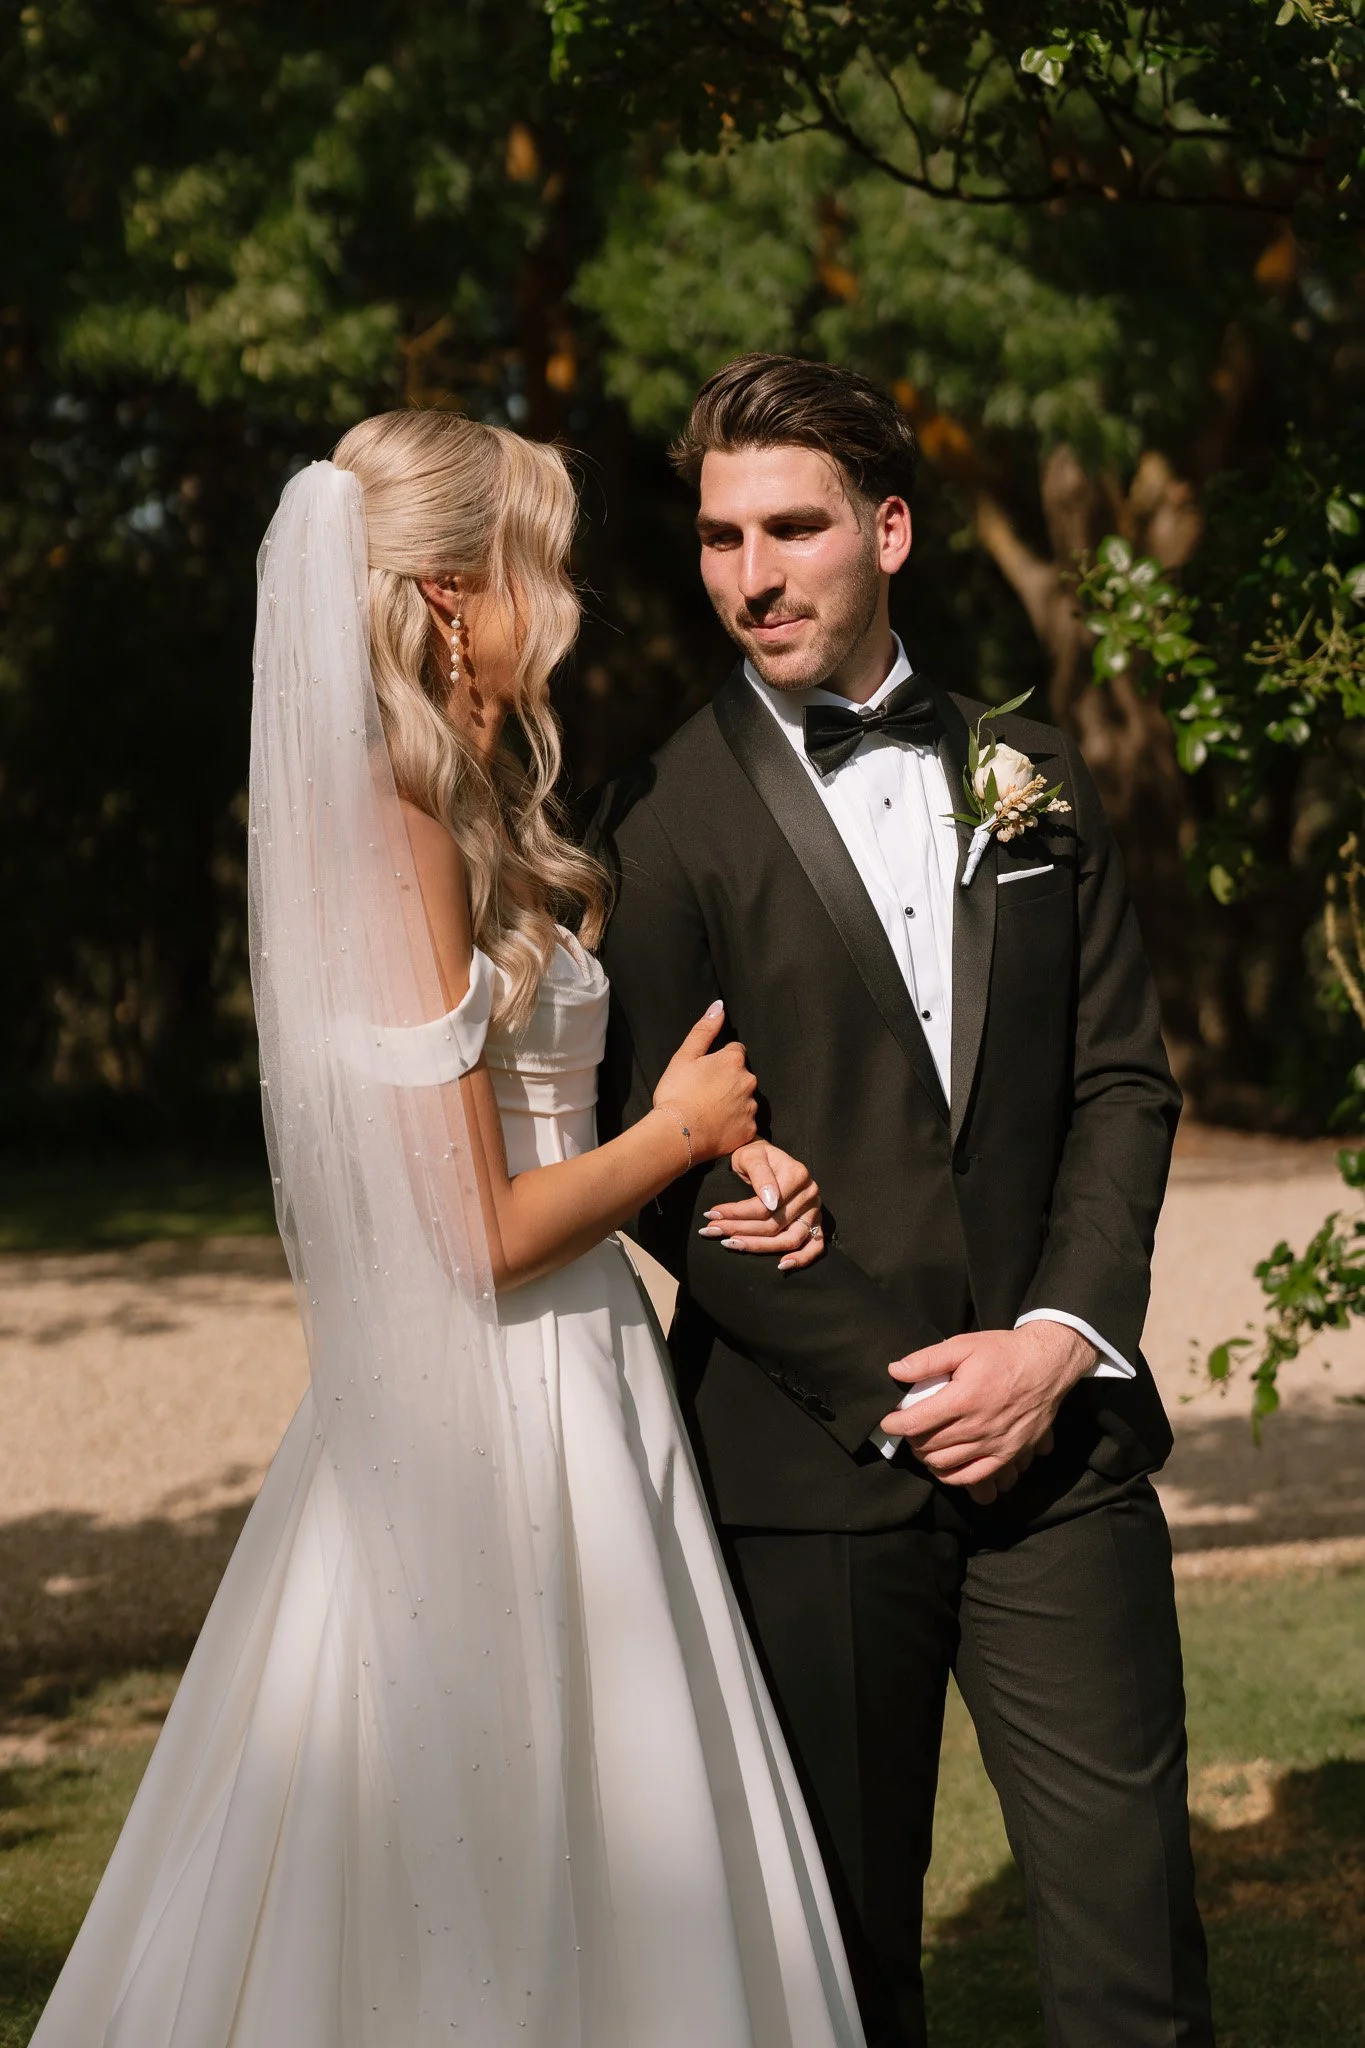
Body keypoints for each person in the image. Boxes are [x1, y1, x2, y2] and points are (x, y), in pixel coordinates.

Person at [30, 410, 867, 2048]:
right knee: (509, 1847)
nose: (558, 602)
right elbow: (469, 1232)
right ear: (441, 602)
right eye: (531, 565)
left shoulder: (462, 800)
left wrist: (710, 1154)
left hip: (568, 1368)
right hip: (501, 1402)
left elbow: (539, 1122)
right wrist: (673, 1136)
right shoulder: (401, 815)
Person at [593, 354, 1215, 2048]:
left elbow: (1120, 1085)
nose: (752, 575)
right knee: (839, 1978)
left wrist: (1053, 1344)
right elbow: (640, 1156)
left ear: (889, 530)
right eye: (721, 537)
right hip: (806, 1476)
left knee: (1133, 1963)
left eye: (792, 529)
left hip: (1061, 1452)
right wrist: (904, 1387)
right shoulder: (657, 815)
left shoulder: (1034, 766)